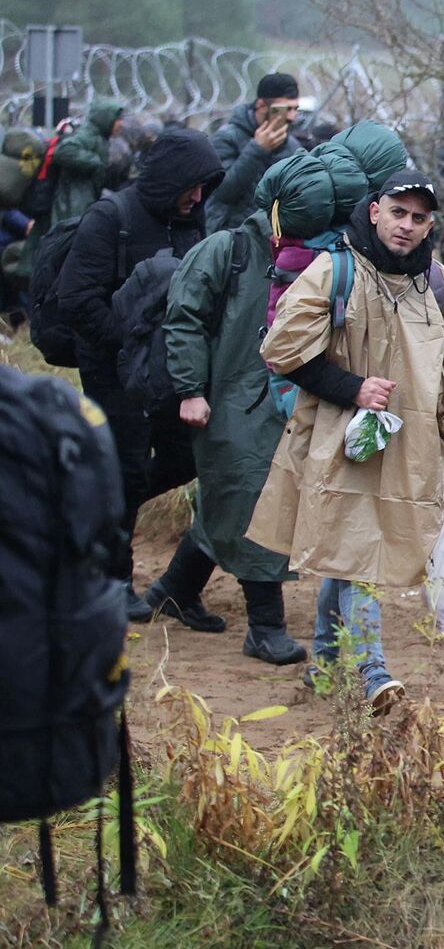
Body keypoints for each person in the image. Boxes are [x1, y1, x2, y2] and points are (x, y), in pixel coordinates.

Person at [249, 169, 444, 711]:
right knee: (360, 544)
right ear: (375, 211)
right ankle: (372, 670)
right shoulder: (335, 270)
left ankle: (326, 662)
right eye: (397, 212)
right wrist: (352, 388)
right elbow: (282, 352)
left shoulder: (440, 284)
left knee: (349, 546)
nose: (406, 226)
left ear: (429, 227)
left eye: (419, 218)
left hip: (412, 443)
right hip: (342, 436)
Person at [150, 155, 331, 666]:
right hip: (228, 399)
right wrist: (190, 388)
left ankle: (174, 588)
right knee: (254, 498)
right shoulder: (226, 251)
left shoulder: (311, 258)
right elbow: (183, 320)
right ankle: (265, 627)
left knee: (227, 500)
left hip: (276, 398)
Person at [57, 126, 224, 620]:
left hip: (168, 367)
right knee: (128, 467)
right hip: (111, 367)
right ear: (168, 179)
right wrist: (129, 341)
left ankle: (92, 505)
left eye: (205, 187)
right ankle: (114, 580)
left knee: (186, 454)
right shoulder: (111, 217)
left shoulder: (193, 217)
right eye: (191, 186)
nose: (197, 197)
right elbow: (76, 300)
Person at [206, 72, 303, 231]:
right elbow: (223, 192)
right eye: (285, 109)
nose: (292, 117)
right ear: (261, 105)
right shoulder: (227, 138)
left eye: (295, 109)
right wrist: (258, 149)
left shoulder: (292, 146)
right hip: (232, 235)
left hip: (272, 235)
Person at [49, 99, 126, 224]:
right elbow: (63, 151)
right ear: (105, 118)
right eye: (117, 119)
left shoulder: (100, 137)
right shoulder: (88, 135)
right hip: (72, 204)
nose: (121, 124)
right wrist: (94, 162)